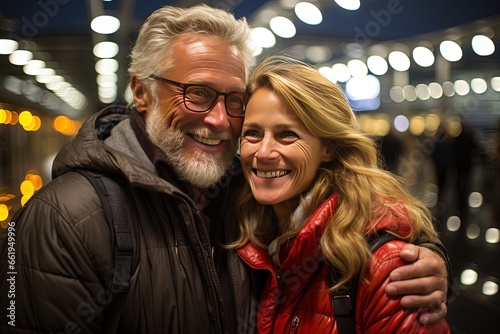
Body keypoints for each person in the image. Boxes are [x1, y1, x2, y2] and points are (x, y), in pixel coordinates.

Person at [0, 5, 448, 334]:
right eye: (197, 94)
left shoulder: (243, 193)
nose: (218, 120)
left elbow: (354, 218)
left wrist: (417, 255)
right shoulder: (64, 218)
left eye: (234, 101)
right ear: (141, 92)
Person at [229, 55, 450, 333]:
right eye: (252, 133)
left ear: (328, 147)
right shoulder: (249, 230)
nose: (263, 152)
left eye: (287, 134)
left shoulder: (390, 269)